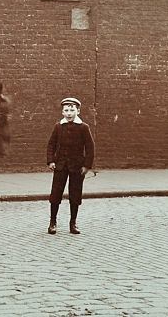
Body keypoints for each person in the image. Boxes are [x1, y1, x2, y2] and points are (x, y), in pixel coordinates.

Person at [46, 96, 95, 235]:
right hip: (60, 166)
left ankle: (73, 223)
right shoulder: (58, 127)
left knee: (75, 195)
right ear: (62, 112)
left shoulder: (84, 128)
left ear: (78, 111)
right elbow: (51, 144)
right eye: (66, 110)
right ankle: (52, 222)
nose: (69, 113)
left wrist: (86, 166)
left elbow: (90, 147)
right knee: (55, 194)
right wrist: (51, 161)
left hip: (77, 167)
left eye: (72, 110)